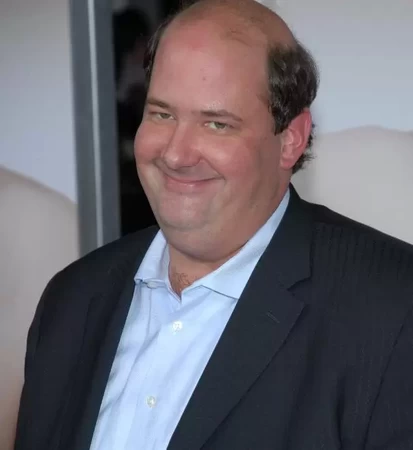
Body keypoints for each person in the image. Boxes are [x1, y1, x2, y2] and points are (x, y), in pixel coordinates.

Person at [14, 0, 413, 449]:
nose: (176, 154)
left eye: (217, 124)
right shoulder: (71, 301)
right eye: (162, 114)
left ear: (290, 140)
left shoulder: (392, 311)